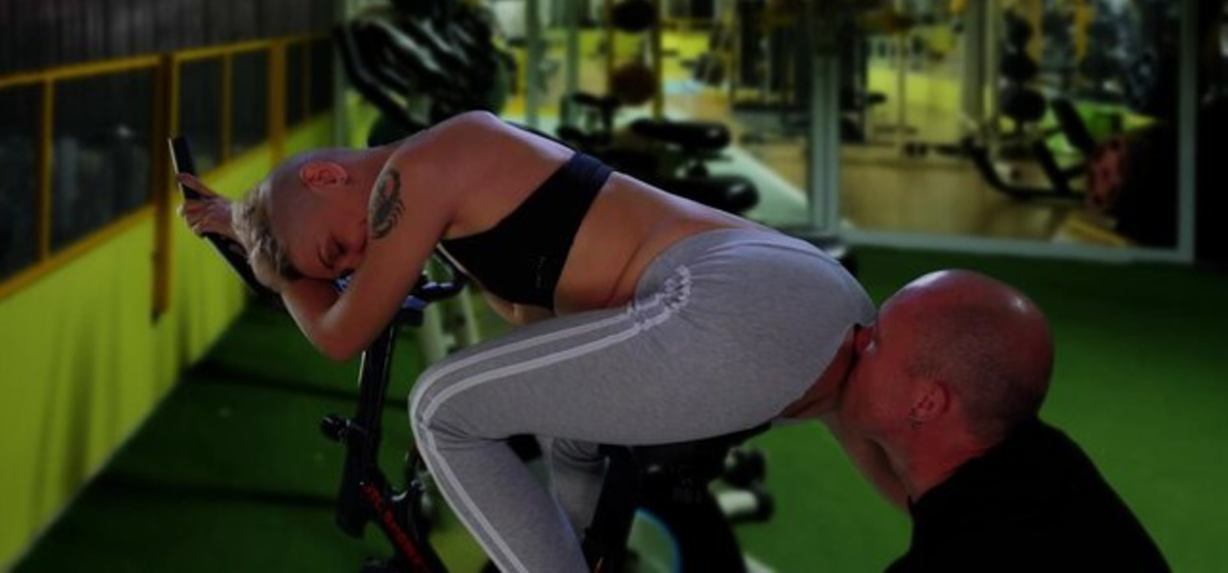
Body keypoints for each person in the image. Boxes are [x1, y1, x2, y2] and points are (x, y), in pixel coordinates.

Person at [179, 110, 878, 573]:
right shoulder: (460, 213)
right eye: (342, 266)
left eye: (337, 248)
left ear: (326, 174)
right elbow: (540, 334)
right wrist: (244, 225)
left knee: (441, 408)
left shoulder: (415, 171)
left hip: (738, 297)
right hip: (795, 302)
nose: (360, 261)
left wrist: (275, 269)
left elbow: (341, 335)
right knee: (559, 429)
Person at [835, 270, 1169, 572]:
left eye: (875, 341)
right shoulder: (1047, 462)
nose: (857, 340)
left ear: (926, 403)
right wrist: (832, 407)